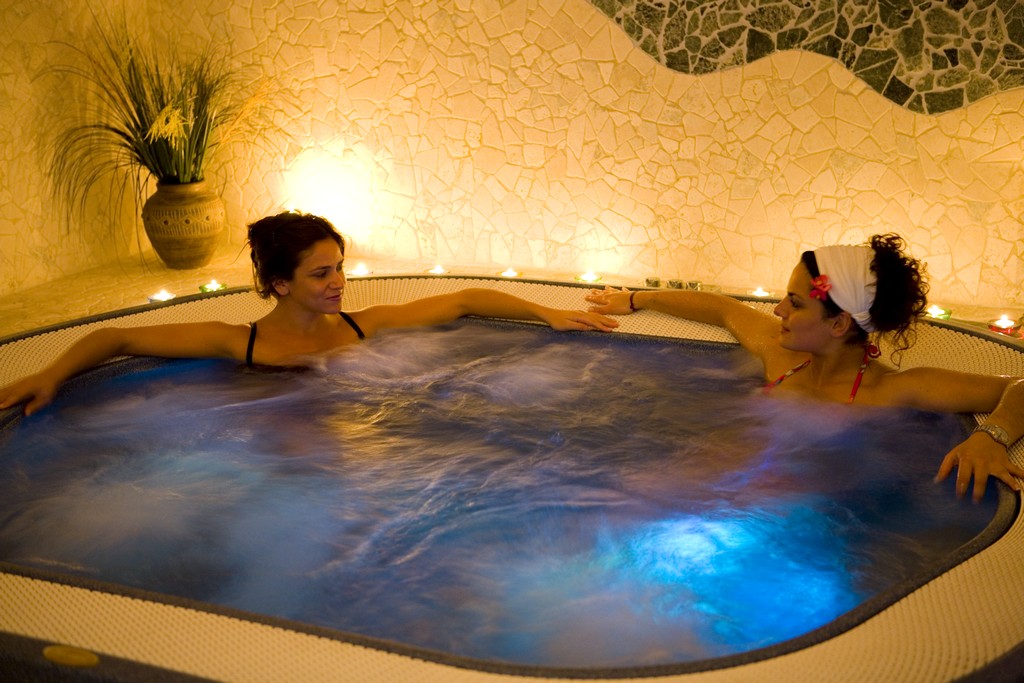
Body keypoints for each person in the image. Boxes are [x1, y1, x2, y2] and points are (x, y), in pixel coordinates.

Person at [0, 211, 618, 417]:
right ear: (280, 284)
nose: (338, 283)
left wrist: (546, 313)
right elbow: (116, 338)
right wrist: (51, 374)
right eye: (320, 274)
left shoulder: (360, 328)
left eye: (339, 268)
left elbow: (462, 300)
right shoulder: (238, 343)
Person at [585, 234, 1024, 502]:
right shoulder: (784, 359)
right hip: (699, 490)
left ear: (839, 324)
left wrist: (991, 437)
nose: (777, 310)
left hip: (773, 516)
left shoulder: (893, 390)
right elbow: (722, 309)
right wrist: (636, 299)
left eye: (795, 304)